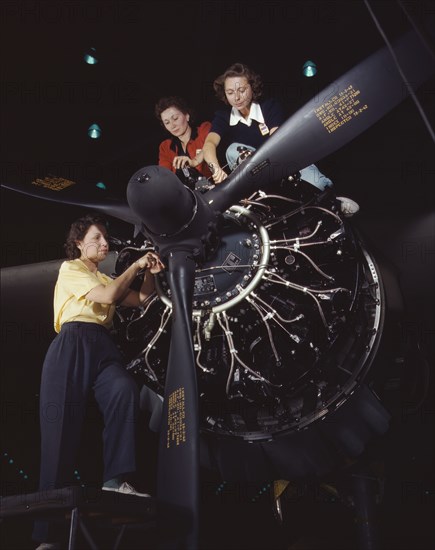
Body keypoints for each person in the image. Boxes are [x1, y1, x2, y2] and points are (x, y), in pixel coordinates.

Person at [33, 213, 164, 549]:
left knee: (123, 390)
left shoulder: (106, 276)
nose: (104, 245)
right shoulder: (71, 269)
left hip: (102, 345)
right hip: (72, 344)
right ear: (79, 242)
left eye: (106, 240)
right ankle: (45, 538)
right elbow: (106, 298)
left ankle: (115, 480)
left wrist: (148, 274)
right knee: (59, 433)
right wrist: (134, 267)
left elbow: (143, 299)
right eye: (97, 238)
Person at [202, 62, 359, 216]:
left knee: (318, 184)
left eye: (242, 90)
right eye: (230, 93)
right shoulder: (222, 117)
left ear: (252, 87)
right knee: (232, 150)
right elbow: (209, 143)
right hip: (253, 174)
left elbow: (277, 142)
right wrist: (215, 169)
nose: (236, 97)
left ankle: (333, 202)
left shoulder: (270, 106)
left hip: (281, 160)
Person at [155, 95, 212, 179]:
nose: (172, 125)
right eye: (167, 123)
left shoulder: (204, 129)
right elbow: (165, 177)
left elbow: (210, 147)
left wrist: (193, 161)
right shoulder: (165, 147)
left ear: (187, 116)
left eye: (175, 118)